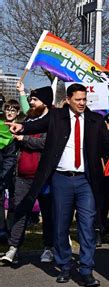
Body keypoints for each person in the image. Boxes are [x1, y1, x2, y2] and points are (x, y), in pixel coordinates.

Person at [2, 83, 109, 287]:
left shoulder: (94, 121)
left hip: (85, 181)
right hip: (61, 179)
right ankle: (64, 265)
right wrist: (23, 126)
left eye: (84, 100)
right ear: (69, 99)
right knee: (60, 224)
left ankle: (86, 269)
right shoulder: (56, 117)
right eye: (78, 100)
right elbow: (37, 124)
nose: (82, 103)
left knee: (87, 225)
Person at [11, 86, 55, 263]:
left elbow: (46, 143)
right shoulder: (28, 118)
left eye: (34, 100)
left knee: (48, 213)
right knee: (20, 211)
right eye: (30, 99)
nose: (31, 102)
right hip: (22, 174)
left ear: (44, 102)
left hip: (43, 177)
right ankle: (13, 248)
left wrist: (24, 139)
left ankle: (48, 248)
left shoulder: (52, 120)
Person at [0, 100, 22, 242]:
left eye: (13, 110)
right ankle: (2, 229)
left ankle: (12, 231)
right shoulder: (1, 126)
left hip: (16, 171)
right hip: (3, 169)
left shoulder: (21, 127)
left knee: (14, 201)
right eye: (7, 109)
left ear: (18, 113)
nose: (10, 112)